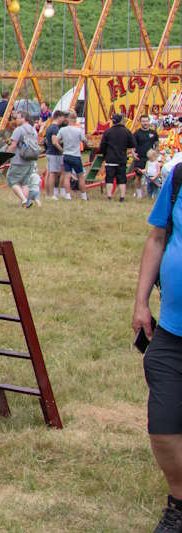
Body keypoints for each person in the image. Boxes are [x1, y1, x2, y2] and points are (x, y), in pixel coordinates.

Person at [134, 160, 182, 532]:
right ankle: (178, 503)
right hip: (171, 329)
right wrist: (141, 302)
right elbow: (157, 238)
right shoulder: (179, 176)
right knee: (163, 426)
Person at [4, 111, 42, 208]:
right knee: (25, 183)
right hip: (30, 160)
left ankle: (24, 200)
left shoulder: (19, 130)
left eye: (17, 118)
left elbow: (13, 145)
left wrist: (6, 155)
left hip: (19, 160)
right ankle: (25, 203)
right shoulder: (33, 130)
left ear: (23, 118)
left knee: (12, 180)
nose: (16, 120)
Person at [101, 114, 137, 202]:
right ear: (121, 121)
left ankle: (109, 196)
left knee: (109, 179)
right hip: (121, 159)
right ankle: (122, 197)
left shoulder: (108, 132)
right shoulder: (126, 131)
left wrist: (105, 155)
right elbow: (133, 144)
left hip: (110, 159)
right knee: (122, 179)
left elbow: (102, 146)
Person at [58, 116, 89, 200]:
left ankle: (68, 196)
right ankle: (84, 196)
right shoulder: (78, 130)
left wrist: (62, 146)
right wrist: (87, 144)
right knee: (80, 176)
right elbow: (85, 141)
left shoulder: (62, 130)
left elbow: (57, 140)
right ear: (75, 121)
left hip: (66, 155)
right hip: (76, 155)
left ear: (68, 120)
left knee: (67, 176)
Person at [44, 111, 68, 199]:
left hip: (50, 152)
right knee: (53, 174)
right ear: (59, 117)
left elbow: (47, 141)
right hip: (54, 153)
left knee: (50, 174)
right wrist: (62, 150)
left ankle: (48, 194)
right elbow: (55, 142)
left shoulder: (49, 127)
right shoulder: (55, 128)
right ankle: (51, 195)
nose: (63, 119)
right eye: (62, 117)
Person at [139, 117, 164, 199]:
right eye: (143, 121)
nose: (145, 123)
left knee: (155, 187)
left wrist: (156, 153)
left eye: (146, 121)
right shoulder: (137, 133)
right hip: (141, 157)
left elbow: (157, 143)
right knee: (139, 178)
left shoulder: (153, 133)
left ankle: (156, 197)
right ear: (140, 122)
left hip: (152, 157)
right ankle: (140, 194)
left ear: (149, 121)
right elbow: (133, 145)